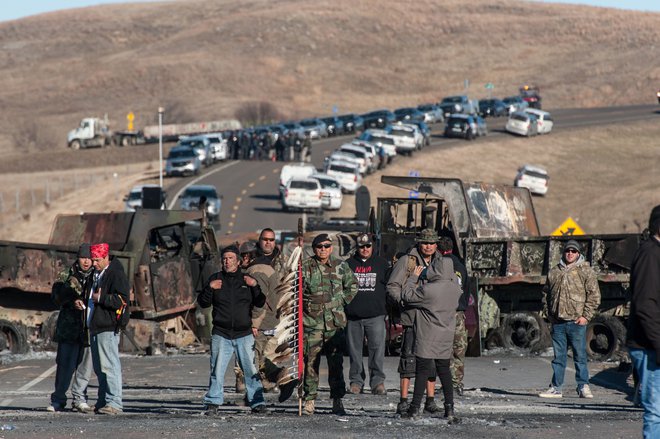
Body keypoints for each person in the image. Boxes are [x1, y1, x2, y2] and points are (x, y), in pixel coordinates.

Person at [199, 245, 267, 414]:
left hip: (244, 334)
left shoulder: (246, 280)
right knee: (217, 369)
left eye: (230, 258)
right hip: (221, 333)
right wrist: (209, 288)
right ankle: (213, 402)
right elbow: (203, 303)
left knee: (251, 370)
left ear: (238, 261)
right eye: (224, 258)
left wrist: (255, 285)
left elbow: (260, 302)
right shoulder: (215, 279)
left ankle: (257, 402)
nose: (227, 261)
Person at [387, 228, 443, 415]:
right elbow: (393, 285)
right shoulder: (407, 261)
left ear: (436, 244)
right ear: (419, 243)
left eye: (432, 243)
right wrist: (403, 300)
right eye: (425, 243)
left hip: (433, 319)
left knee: (432, 361)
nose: (428, 246)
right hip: (412, 317)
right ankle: (403, 401)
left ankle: (430, 400)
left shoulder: (441, 262)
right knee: (408, 359)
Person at [301, 234, 357, 416]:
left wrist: (340, 301)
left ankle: (337, 400)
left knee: (336, 363)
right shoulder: (305, 267)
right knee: (310, 363)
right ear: (314, 248)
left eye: (326, 246)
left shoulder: (341, 265)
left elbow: (353, 286)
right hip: (312, 322)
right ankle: (309, 400)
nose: (323, 249)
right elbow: (296, 292)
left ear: (331, 248)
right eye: (319, 246)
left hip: (334, 323)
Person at [400, 258, 462, 421]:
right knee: (444, 371)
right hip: (445, 336)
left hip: (427, 336)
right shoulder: (455, 289)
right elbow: (454, 280)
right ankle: (450, 409)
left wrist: (414, 276)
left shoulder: (428, 290)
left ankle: (414, 409)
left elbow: (407, 295)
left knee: (422, 372)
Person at [539, 239, 601, 399]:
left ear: (578, 254)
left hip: (576, 322)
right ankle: (556, 387)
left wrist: (585, 316)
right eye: (568, 251)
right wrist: (549, 314)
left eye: (574, 251)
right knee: (558, 357)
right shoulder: (554, 272)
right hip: (558, 322)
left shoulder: (585, 271)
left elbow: (594, 295)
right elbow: (546, 294)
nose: (570, 253)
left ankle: (583, 386)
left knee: (580, 356)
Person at [239, 241, 298, 402]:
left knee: (253, 360)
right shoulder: (263, 267)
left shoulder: (256, 271)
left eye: (241, 257)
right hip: (267, 319)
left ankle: (274, 382)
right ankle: (279, 381)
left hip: (261, 322)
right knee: (256, 358)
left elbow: (260, 300)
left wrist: (254, 324)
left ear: (247, 256)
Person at [47, 243, 95, 413]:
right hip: (68, 329)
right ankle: (58, 400)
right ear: (78, 258)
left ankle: (80, 399)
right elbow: (56, 296)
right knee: (64, 366)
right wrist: (71, 300)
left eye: (89, 258)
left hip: (88, 329)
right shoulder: (67, 274)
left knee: (85, 368)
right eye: (83, 258)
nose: (87, 262)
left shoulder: (97, 275)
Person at [627, 205, 660, 438]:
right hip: (650, 348)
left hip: (653, 345)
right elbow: (645, 305)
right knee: (656, 413)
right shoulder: (650, 253)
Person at [345, 233, 390, 395]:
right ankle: (356, 382)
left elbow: (390, 288)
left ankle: (377, 382)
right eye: (361, 246)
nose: (365, 249)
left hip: (376, 315)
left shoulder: (382, 264)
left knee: (377, 350)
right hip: (353, 316)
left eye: (368, 246)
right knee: (354, 352)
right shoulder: (348, 264)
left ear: (373, 246)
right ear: (357, 248)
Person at [88, 242, 130, 415]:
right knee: (99, 367)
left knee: (109, 366)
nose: (94, 263)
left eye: (97, 260)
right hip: (96, 325)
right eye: (93, 260)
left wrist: (101, 298)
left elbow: (122, 300)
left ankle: (114, 403)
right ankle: (103, 401)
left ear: (106, 257)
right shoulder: (97, 273)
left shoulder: (116, 274)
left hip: (108, 324)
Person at [438, 236, 469, 396]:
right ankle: (457, 383)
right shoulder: (460, 266)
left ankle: (446, 384)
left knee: (445, 349)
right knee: (459, 349)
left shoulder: (439, 266)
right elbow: (467, 289)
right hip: (458, 312)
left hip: (444, 312)